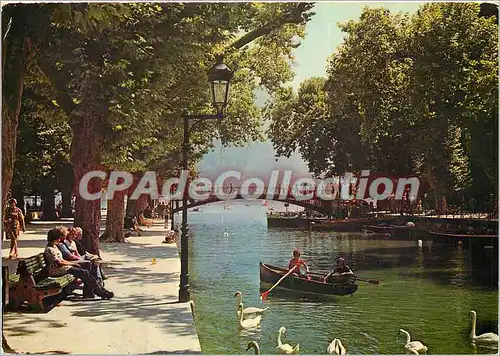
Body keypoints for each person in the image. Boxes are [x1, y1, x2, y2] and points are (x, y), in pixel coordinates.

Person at [44, 227, 113, 299]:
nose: (60, 239)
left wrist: (73, 263)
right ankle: (101, 292)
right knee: (84, 273)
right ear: (55, 238)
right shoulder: (50, 249)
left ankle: (93, 292)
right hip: (57, 270)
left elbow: (61, 260)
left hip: (63, 268)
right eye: (59, 238)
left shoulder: (54, 247)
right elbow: (59, 262)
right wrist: (72, 264)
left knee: (86, 270)